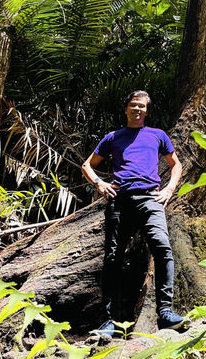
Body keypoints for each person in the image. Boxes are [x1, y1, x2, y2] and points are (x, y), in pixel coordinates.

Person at [81, 90, 185, 335]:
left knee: (162, 247)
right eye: (133, 105)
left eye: (142, 106)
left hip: (151, 198)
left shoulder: (157, 135)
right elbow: (87, 165)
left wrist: (170, 189)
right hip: (120, 200)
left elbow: (176, 164)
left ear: (147, 111)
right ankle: (111, 321)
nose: (137, 109)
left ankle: (166, 312)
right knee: (114, 256)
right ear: (126, 108)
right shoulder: (113, 137)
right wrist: (99, 184)